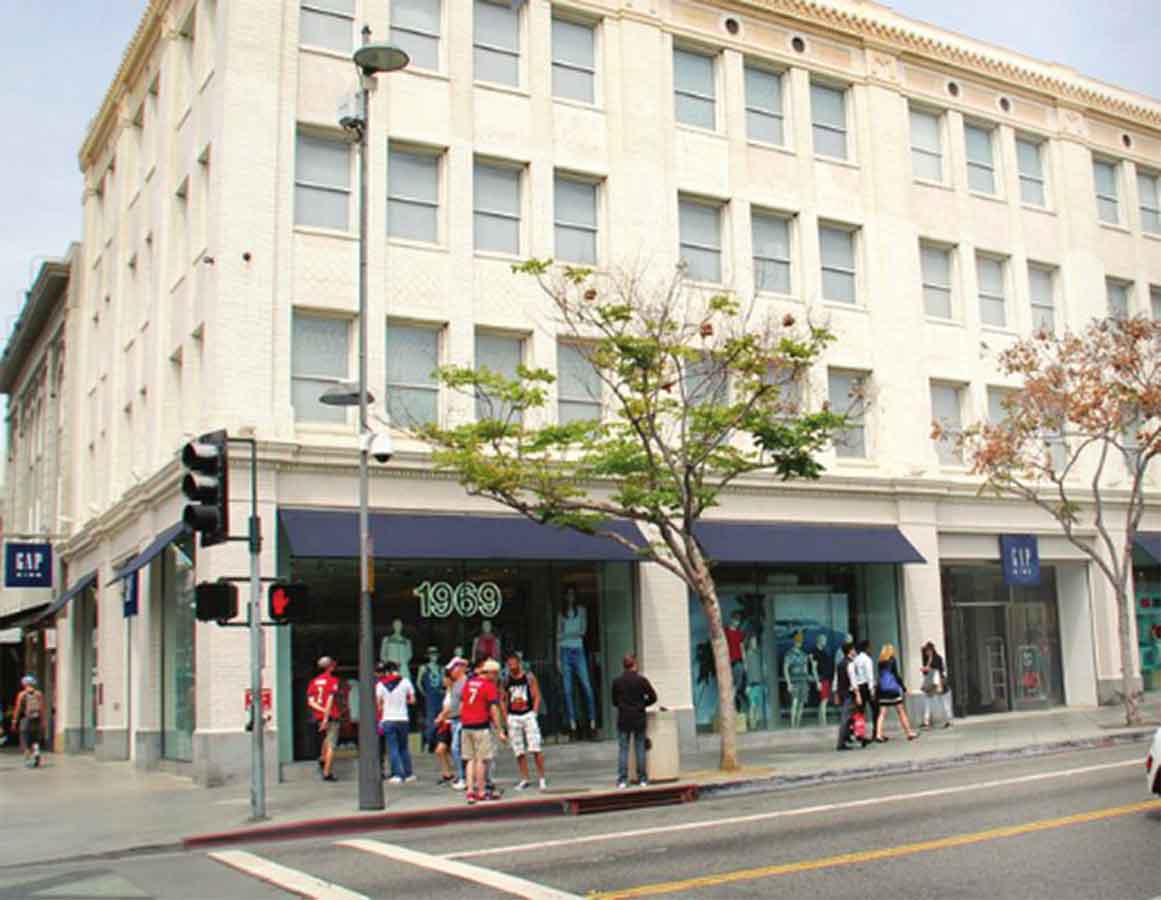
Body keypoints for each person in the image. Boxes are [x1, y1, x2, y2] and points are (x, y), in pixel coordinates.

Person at [460, 656, 507, 805]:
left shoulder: (468, 684)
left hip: (466, 725)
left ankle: (470, 791)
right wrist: (500, 729)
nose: (496, 677)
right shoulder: (488, 686)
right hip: (481, 725)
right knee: (482, 760)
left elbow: (462, 705)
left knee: (469, 760)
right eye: (495, 674)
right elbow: (494, 709)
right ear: (490, 673)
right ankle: (481, 791)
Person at [502, 650, 547, 791]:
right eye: (509, 664)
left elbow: (537, 695)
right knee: (518, 749)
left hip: (527, 714)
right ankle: (525, 778)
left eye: (513, 663)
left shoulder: (528, 677)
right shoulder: (506, 679)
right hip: (513, 716)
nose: (511, 666)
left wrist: (534, 711)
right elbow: (502, 699)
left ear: (518, 662)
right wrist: (506, 717)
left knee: (535, 746)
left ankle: (541, 777)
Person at [611, 653, 657, 789]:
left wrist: (622, 705)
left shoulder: (617, 681)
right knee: (640, 748)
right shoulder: (641, 680)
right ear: (634, 665)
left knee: (623, 750)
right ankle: (642, 778)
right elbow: (653, 697)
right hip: (639, 718)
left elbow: (614, 701)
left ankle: (622, 780)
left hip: (624, 718)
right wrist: (643, 704)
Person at [376, 660, 417, 783]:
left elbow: (379, 704)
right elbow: (413, 700)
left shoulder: (380, 685)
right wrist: (403, 701)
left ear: (387, 671)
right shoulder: (405, 682)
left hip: (388, 718)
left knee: (393, 748)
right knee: (404, 747)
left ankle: (397, 775)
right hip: (403, 718)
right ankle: (409, 774)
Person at [306, 656, 341, 782]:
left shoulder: (313, 682)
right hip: (332, 715)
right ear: (330, 667)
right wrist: (327, 714)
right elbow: (331, 699)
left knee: (326, 739)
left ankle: (322, 758)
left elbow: (310, 702)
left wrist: (321, 711)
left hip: (319, 716)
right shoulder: (333, 680)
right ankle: (327, 772)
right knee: (332, 743)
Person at [875, 643, 918, 741]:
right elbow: (896, 675)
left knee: (882, 713)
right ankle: (909, 732)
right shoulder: (892, 660)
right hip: (892, 690)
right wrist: (903, 688)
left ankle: (878, 734)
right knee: (901, 711)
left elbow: (880, 676)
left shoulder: (880, 662)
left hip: (883, 690)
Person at [835, 641, 866, 750]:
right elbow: (853, 681)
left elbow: (837, 680)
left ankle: (853, 737)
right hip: (849, 693)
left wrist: (837, 694)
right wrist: (858, 695)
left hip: (842, 693)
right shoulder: (850, 664)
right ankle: (841, 742)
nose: (855, 651)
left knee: (851, 717)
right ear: (850, 651)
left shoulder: (840, 664)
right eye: (853, 649)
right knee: (846, 718)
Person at [444, 656, 468, 789]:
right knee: (457, 748)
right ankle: (462, 776)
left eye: (453, 668)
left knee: (456, 748)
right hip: (455, 719)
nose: (451, 672)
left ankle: (463, 777)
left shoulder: (464, 683)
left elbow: (464, 702)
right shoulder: (455, 683)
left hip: (460, 719)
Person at [12, 675, 44, 768]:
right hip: (37, 719)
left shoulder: (21, 694)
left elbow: (17, 709)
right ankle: (37, 754)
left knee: (25, 741)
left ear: (24, 684)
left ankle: (28, 761)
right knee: (35, 740)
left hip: (26, 720)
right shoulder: (39, 694)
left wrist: (14, 721)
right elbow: (42, 708)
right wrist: (42, 721)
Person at [920, 641, 953, 729]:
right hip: (930, 682)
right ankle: (926, 721)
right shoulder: (926, 659)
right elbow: (927, 671)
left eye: (928, 650)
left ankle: (948, 720)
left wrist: (927, 668)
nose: (927, 652)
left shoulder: (938, 658)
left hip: (938, 682)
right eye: (926, 651)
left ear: (931, 650)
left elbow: (939, 669)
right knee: (928, 701)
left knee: (943, 701)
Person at [432, 673, 456, 784]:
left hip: (452, 723)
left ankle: (461, 774)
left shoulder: (455, 692)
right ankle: (447, 773)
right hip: (445, 724)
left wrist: (440, 716)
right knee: (441, 750)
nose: (443, 680)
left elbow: (450, 708)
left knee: (453, 750)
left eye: (445, 679)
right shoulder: (447, 692)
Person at [852, 639, 877, 739]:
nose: (871, 649)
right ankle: (876, 733)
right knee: (875, 710)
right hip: (866, 686)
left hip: (859, 687)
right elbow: (869, 675)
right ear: (866, 648)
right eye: (870, 647)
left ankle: (859, 733)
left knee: (860, 712)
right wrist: (872, 689)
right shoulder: (867, 659)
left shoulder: (856, 659)